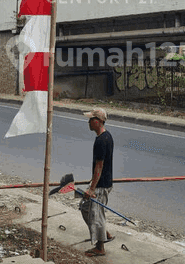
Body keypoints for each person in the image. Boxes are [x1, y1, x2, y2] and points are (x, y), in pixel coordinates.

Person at [80, 107, 115, 257]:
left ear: (98, 121)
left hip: (101, 185)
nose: (88, 122)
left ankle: (100, 247)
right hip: (101, 181)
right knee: (86, 208)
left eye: (90, 119)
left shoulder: (102, 141)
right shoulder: (106, 136)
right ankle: (104, 234)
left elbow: (99, 166)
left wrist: (92, 188)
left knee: (97, 215)